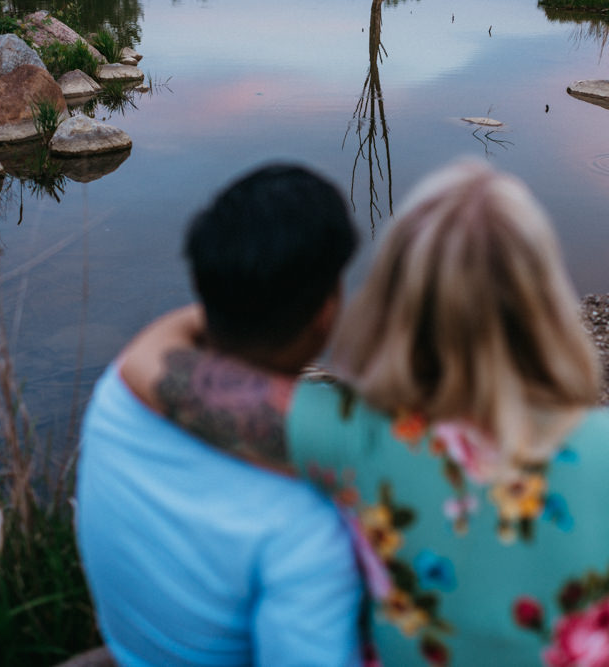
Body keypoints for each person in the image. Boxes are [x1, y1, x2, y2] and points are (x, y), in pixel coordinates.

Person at [124, 160, 609, 666]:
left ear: (397, 301)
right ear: (545, 298)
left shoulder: (355, 437)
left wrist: (231, 303)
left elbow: (147, 365)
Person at [74, 164, 365, 666]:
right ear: (326, 312)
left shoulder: (119, 399)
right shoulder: (307, 526)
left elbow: (162, 344)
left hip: (130, 649)